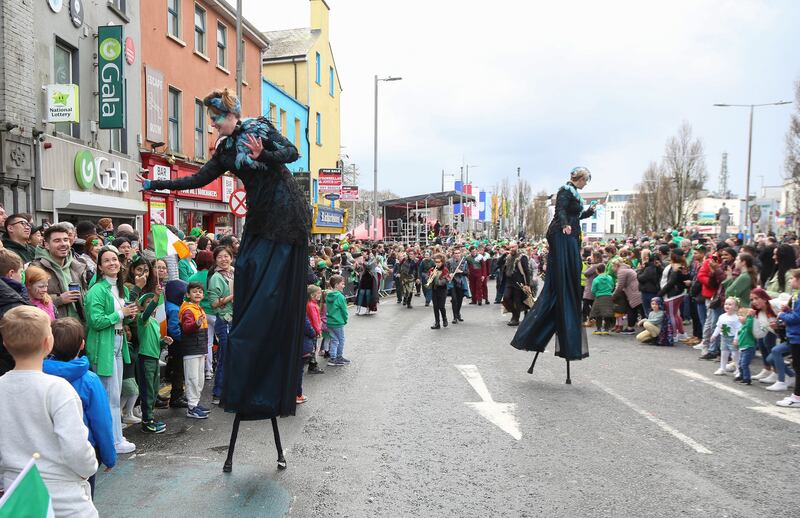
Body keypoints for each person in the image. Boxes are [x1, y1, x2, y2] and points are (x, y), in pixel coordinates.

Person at [0, 306, 99, 517]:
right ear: (48, 343)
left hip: (18, 495)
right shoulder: (58, 389)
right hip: (64, 499)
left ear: (6, 345)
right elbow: (76, 447)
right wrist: (89, 468)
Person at [512, 167, 597, 373]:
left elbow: (573, 216)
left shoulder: (575, 194)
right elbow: (560, 211)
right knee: (563, 276)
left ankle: (567, 283)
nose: (586, 184)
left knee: (572, 273)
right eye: (586, 180)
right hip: (561, 235)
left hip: (570, 234)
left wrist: (588, 213)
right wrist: (566, 225)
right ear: (579, 179)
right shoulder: (565, 191)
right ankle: (563, 281)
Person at [43, 317, 116, 496]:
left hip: (45, 454)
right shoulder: (89, 379)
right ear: (82, 344)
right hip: (82, 454)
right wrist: (109, 457)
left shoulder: (39, 374)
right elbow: (102, 422)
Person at [84, 245, 138, 454]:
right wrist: (121, 314)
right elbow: (95, 321)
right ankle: (113, 442)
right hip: (102, 347)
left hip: (116, 343)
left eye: (114, 259)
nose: (112, 263)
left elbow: (118, 317)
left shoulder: (118, 287)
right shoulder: (97, 289)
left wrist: (128, 314)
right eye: (106, 260)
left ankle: (116, 437)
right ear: (99, 266)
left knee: (114, 394)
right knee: (110, 396)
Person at [31, 224, 88, 321]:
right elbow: (30, 299)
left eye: (66, 240)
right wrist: (59, 299)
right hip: (54, 328)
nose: (63, 244)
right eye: (57, 241)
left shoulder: (78, 265)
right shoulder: (36, 268)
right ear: (47, 245)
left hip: (79, 326)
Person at [180, 282, 211, 419]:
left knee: (199, 379)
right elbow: (187, 328)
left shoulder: (198, 308)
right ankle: (191, 407)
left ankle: (195, 403)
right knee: (192, 379)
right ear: (188, 294)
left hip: (199, 349)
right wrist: (196, 323)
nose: (198, 293)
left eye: (200, 291)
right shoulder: (188, 310)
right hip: (191, 350)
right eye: (194, 291)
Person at [775, 269, 800, 408]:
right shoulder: (797, 295)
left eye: (792, 278)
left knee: (798, 367)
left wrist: (782, 315)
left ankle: (797, 397)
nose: (790, 281)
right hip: (795, 335)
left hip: (797, 336)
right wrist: (789, 310)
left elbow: (797, 318)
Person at [164, 280, 188, 408]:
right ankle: (176, 396)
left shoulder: (170, 305)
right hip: (177, 343)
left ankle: (177, 394)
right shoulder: (174, 309)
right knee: (179, 370)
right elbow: (174, 328)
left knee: (176, 369)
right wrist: (183, 339)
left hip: (174, 343)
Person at [710, 297, 742, 377]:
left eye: (730, 304)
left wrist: (736, 339)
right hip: (724, 338)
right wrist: (714, 335)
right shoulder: (722, 316)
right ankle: (722, 368)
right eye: (726, 304)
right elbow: (718, 327)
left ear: (736, 307)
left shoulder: (736, 318)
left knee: (735, 355)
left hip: (732, 339)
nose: (727, 306)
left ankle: (739, 369)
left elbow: (739, 329)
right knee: (724, 353)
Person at [325, 275, 350, 366]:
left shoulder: (328, 295)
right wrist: (345, 320)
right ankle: (338, 357)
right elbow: (344, 310)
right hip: (338, 322)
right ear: (336, 285)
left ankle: (333, 358)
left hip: (330, 321)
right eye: (342, 284)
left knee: (334, 340)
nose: (344, 286)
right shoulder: (340, 296)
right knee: (341, 340)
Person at [590, 263, 615, 335]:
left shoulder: (596, 279)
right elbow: (612, 286)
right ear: (605, 269)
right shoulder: (610, 277)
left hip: (599, 297)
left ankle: (598, 329)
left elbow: (593, 290)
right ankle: (606, 329)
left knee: (598, 313)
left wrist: (596, 294)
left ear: (597, 270)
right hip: (609, 297)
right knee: (607, 313)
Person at [428, 252, 450, 329]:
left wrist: (435, 278)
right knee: (435, 307)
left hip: (442, 290)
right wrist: (430, 277)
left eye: (439, 262)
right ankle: (437, 323)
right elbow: (429, 280)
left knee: (441, 306)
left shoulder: (445, 270)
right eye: (436, 262)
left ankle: (445, 319)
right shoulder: (432, 269)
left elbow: (443, 282)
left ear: (442, 262)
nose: (437, 263)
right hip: (434, 290)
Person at [447, 248, 468, 324]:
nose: (457, 254)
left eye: (458, 253)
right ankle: (454, 317)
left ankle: (458, 313)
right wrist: (449, 274)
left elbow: (467, 273)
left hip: (461, 282)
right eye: (455, 253)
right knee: (454, 299)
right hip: (452, 282)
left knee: (460, 299)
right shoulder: (449, 261)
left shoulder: (464, 261)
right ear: (453, 254)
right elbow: (446, 271)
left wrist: (461, 271)